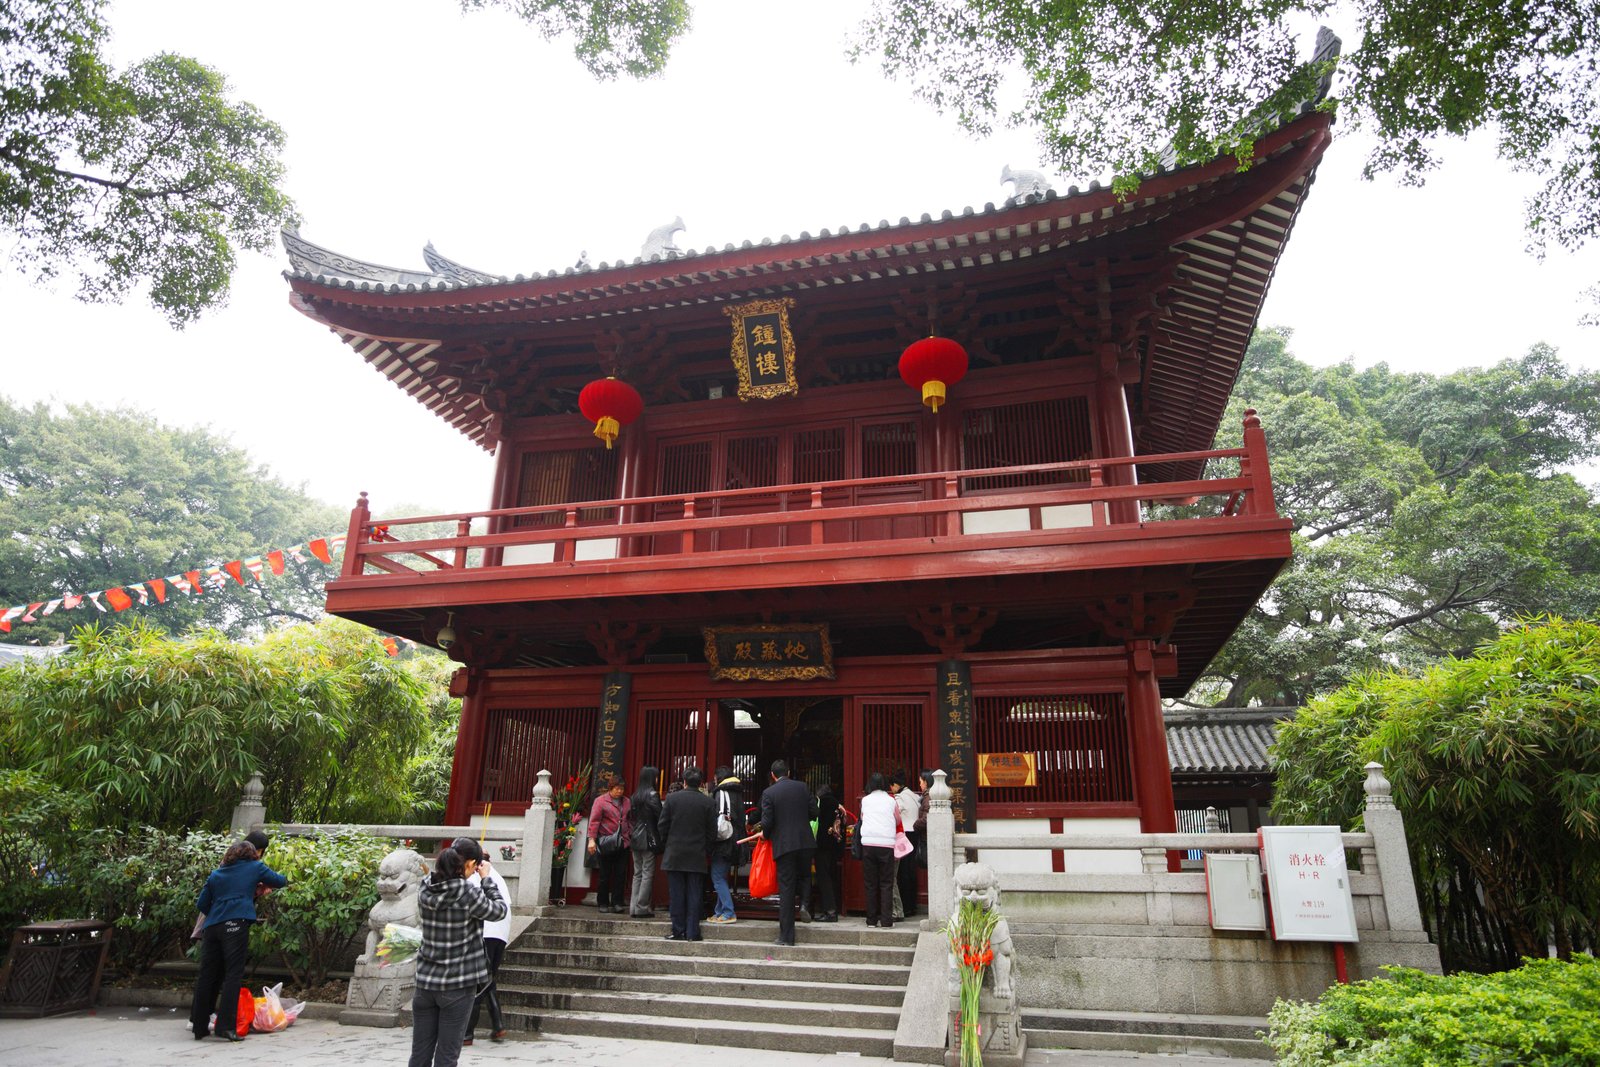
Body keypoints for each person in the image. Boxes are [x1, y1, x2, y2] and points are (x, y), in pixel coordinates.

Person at [409, 839, 507, 1067]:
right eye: (474, 865)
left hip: (425, 983)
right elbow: (499, 910)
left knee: (420, 1053)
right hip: (457, 985)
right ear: (470, 863)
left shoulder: (425, 887)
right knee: (447, 1055)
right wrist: (486, 879)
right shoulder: (467, 892)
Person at [189, 835, 288, 1041]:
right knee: (232, 975)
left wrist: (219, 913)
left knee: (207, 975)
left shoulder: (217, 874)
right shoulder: (255, 867)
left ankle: (199, 1026)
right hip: (236, 924)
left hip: (212, 927)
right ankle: (225, 1027)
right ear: (253, 853)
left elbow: (202, 904)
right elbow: (280, 881)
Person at [459, 837, 510, 1047]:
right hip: (500, 934)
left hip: (486, 932)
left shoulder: (475, 878)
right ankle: (497, 1024)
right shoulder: (496, 876)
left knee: (479, 983)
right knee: (486, 980)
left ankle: (467, 1033)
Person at [760, 759, 817, 947]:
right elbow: (814, 812)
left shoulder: (769, 793)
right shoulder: (802, 787)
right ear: (789, 772)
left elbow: (767, 822)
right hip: (805, 841)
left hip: (785, 845)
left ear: (773, 775)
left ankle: (786, 936)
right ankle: (805, 904)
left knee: (786, 888)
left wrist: (765, 835)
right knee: (806, 875)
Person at [656, 765, 716, 942]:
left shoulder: (672, 799)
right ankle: (693, 932)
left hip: (675, 853)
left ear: (683, 782)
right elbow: (712, 832)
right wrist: (706, 849)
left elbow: (662, 826)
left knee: (676, 895)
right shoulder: (708, 802)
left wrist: (668, 844)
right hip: (697, 855)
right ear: (701, 783)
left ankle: (678, 930)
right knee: (695, 894)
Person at [585, 776, 631, 914]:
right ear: (610, 788)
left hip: (623, 842)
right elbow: (594, 821)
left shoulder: (627, 801)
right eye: (617, 788)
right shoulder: (601, 801)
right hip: (606, 841)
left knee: (620, 873)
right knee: (604, 874)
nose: (620, 791)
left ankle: (617, 902)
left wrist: (630, 834)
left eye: (622, 788)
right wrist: (591, 840)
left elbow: (630, 819)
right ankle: (603, 902)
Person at [706, 766, 746, 924]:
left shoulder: (721, 792)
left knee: (717, 876)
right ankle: (719, 912)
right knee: (721, 877)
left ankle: (728, 912)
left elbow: (720, 816)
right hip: (734, 839)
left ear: (718, 778)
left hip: (724, 840)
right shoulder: (736, 792)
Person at [859, 772, 898, 928]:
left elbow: (862, 818)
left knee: (870, 883)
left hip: (868, 844)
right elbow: (898, 819)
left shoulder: (865, 800)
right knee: (886, 883)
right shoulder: (891, 800)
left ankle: (871, 920)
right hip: (886, 844)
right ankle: (886, 920)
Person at [628, 766, 663, 918]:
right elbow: (660, 817)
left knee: (637, 874)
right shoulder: (653, 795)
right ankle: (642, 907)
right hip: (648, 838)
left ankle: (633, 907)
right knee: (648, 872)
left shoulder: (635, 796)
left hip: (635, 837)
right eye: (655, 777)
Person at [892, 770, 922, 919]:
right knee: (911, 871)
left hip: (904, 835)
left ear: (896, 785)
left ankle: (905, 905)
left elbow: (895, 814)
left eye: (892, 786)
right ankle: (912, 905)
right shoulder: (915, 796)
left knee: (902, 872)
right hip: (914, 834)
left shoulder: (899, 798)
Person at [812, 784, 844, 922]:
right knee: (831, 877)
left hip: (822, 846)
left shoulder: (820, 804)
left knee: (823, 878)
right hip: (835, 847)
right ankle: (834, 907)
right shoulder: (838, 806)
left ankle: (830, 911)